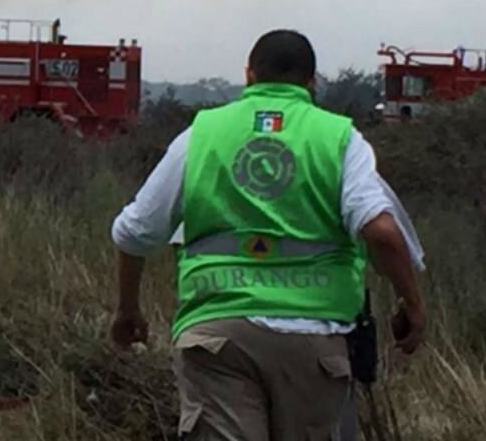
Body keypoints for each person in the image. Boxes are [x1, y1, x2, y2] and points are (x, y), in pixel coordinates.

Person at [109, 29, 427, 441]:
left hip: (217, 335)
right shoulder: (341, 139)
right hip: (313, 341)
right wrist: (413, 304)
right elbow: (381, 232)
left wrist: (128, 310)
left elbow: (134, 231)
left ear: (248, 75)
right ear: (312, 83)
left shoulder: (202, 135)